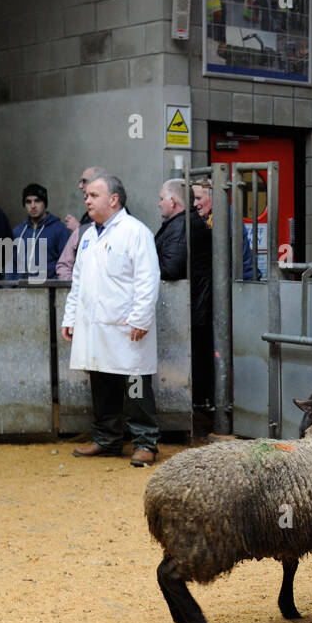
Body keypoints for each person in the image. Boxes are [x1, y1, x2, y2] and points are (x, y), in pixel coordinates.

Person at [62, 174, 162, 467]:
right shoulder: (89, 235)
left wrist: (141, 319)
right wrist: (71, 318)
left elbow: (148, 279)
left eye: (93, 195)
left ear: (113, 200)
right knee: (102, 383)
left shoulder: (135, 232)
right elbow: (78, 282)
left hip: (126, 325)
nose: (87, 200)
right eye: (86, 196)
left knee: (135, 384)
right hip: (95, 326)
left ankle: (145, 442)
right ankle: (106, 439)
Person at [157, 179, 216, 409]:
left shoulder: (182, 226)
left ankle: (196, 405)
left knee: (193, 360)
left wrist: (143, 271)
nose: (159, 204)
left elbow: (171, 269)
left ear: (172, 201)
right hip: (193, 305)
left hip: (190, 306)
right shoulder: (184, 223)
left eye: (161, 198)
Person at [193, 180, 255, 280]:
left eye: (198, 198)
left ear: (212, 197)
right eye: (193, 198)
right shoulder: (206, 216)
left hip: (238, 280)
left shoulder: (226, 214)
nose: (195, 203)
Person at [55, 166, 106, 280]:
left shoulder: (127, 227)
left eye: (84, 181)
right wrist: (75, 288)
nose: (80, 186)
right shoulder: (87, 217)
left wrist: (78, 228)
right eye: (86, 198)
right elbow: (64, 265)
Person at [11, 183, 68, 281]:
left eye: (37, 201)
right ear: (24, 205)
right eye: (28, 202)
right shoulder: (18, 232)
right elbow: (12, 264)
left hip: (49, 290)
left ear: (44, 203)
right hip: (21, 291)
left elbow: (67, 264)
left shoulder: (59, 229)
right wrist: (8, 290)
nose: (33, 206)